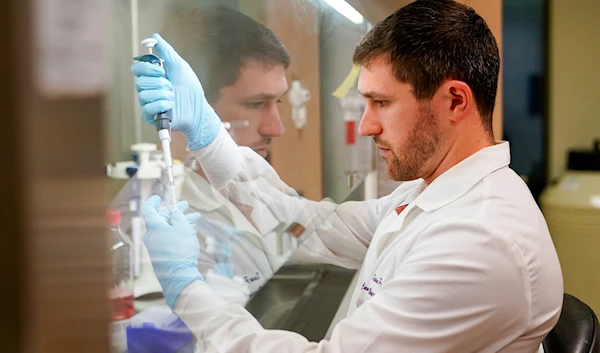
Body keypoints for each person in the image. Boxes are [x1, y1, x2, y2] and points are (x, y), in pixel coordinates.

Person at [134, 0, 564, 351]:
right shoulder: (434, 194)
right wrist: (210, 136)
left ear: (454, 101)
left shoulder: (479, 242)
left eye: (382, 102)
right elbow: (308, 226)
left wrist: (187, 289)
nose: (365, 126)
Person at [132, 4, 308, 304]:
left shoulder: (262, 187)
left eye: (277, 102)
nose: (277, 128)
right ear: (189, 101)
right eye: (255, 104)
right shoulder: (154, 229)